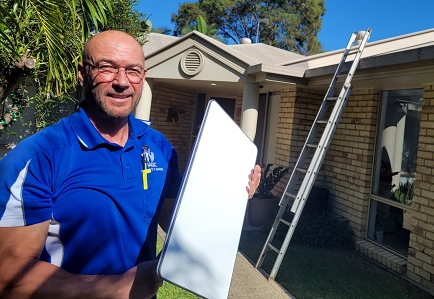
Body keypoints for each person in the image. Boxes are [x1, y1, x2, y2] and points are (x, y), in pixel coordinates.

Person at [0, 30, 261, 298]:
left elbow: (183, 226)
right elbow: (8, 277)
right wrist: (121, 287)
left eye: (133, 71)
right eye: (107, 68)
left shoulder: (160, 148)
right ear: (82, 73)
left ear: (143, 77)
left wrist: (231, 200)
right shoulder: (38, 157)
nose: (122, 82)